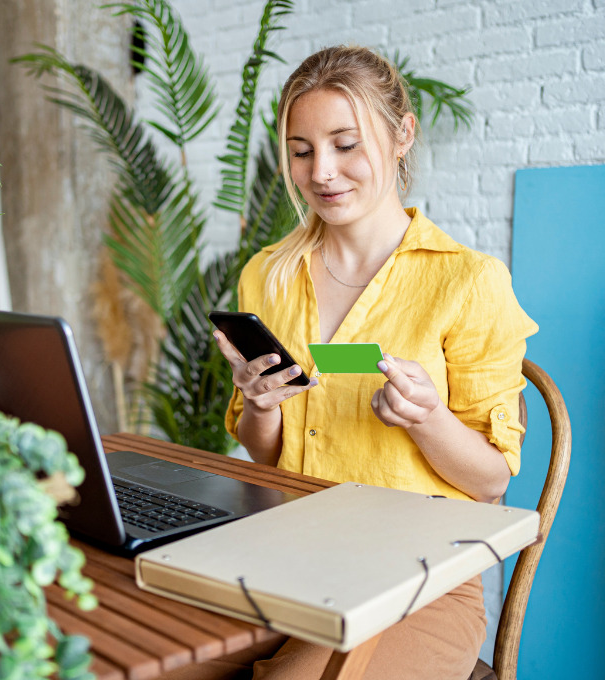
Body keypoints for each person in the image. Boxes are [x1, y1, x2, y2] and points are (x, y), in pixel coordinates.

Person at [209, 45, 539, 679]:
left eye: (345, 144)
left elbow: (492, 483)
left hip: (420, 583)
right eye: (302, 151)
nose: (322, 173)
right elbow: (265, 456)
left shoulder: (468, 281)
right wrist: (259, 403)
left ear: (401, 135)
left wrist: (428, 419)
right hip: (286, 558)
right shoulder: (268, 276)